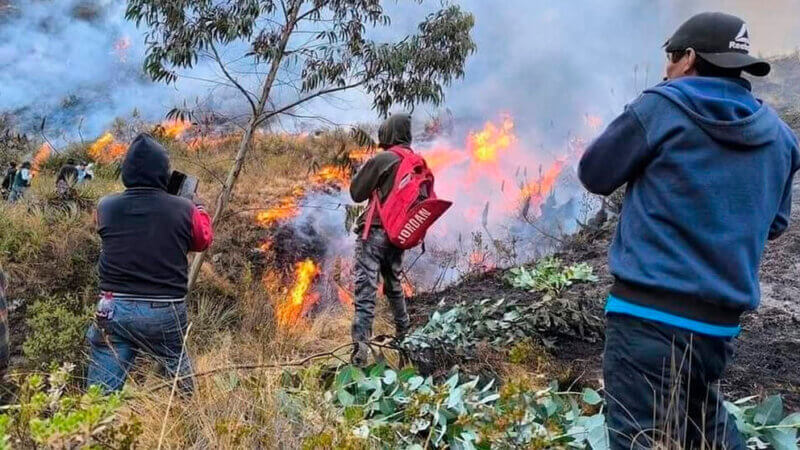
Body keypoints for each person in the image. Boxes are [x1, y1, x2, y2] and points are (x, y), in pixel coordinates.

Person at [579, 12, 799, 450]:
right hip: (717, 331)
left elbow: (595, 172)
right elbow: (774, 223)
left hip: (645, 318)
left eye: (670, 57)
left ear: (689, 58)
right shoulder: (779, 136)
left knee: (638, 437)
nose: (666, 68)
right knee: (702, 429)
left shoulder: (662, 106)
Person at [87, 133, 213, 394]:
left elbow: (103, 229)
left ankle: (92, 431)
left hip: (112, 308)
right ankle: (186, 418)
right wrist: (198, 208)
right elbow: (202, 241)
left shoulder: (105, 206)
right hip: (164, 309)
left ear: (126, 171)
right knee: (178, 376)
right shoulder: (184, 209)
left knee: (99, 397)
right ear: (163, 173)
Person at [349, 114, 413, 366]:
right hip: (398, 235)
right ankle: (407, 346)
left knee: (366, 293)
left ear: (388, 132)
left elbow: (356, 192)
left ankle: (359, 356)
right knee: (394, 288)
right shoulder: (414, 161)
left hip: (374, 233)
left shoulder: (385, 159)